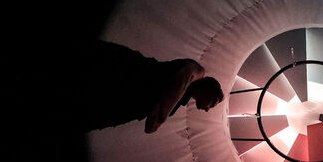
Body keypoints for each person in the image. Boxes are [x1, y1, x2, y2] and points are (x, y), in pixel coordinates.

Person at [70, 40, 223, 133]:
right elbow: (187, 74)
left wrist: (161, 109)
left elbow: (150, 128)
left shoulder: (179, 103)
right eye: (212, 103)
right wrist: (162, 111)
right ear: (208, 89)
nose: (208, 108)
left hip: (117, 108)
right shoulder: (199, 71)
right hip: (120, 72)